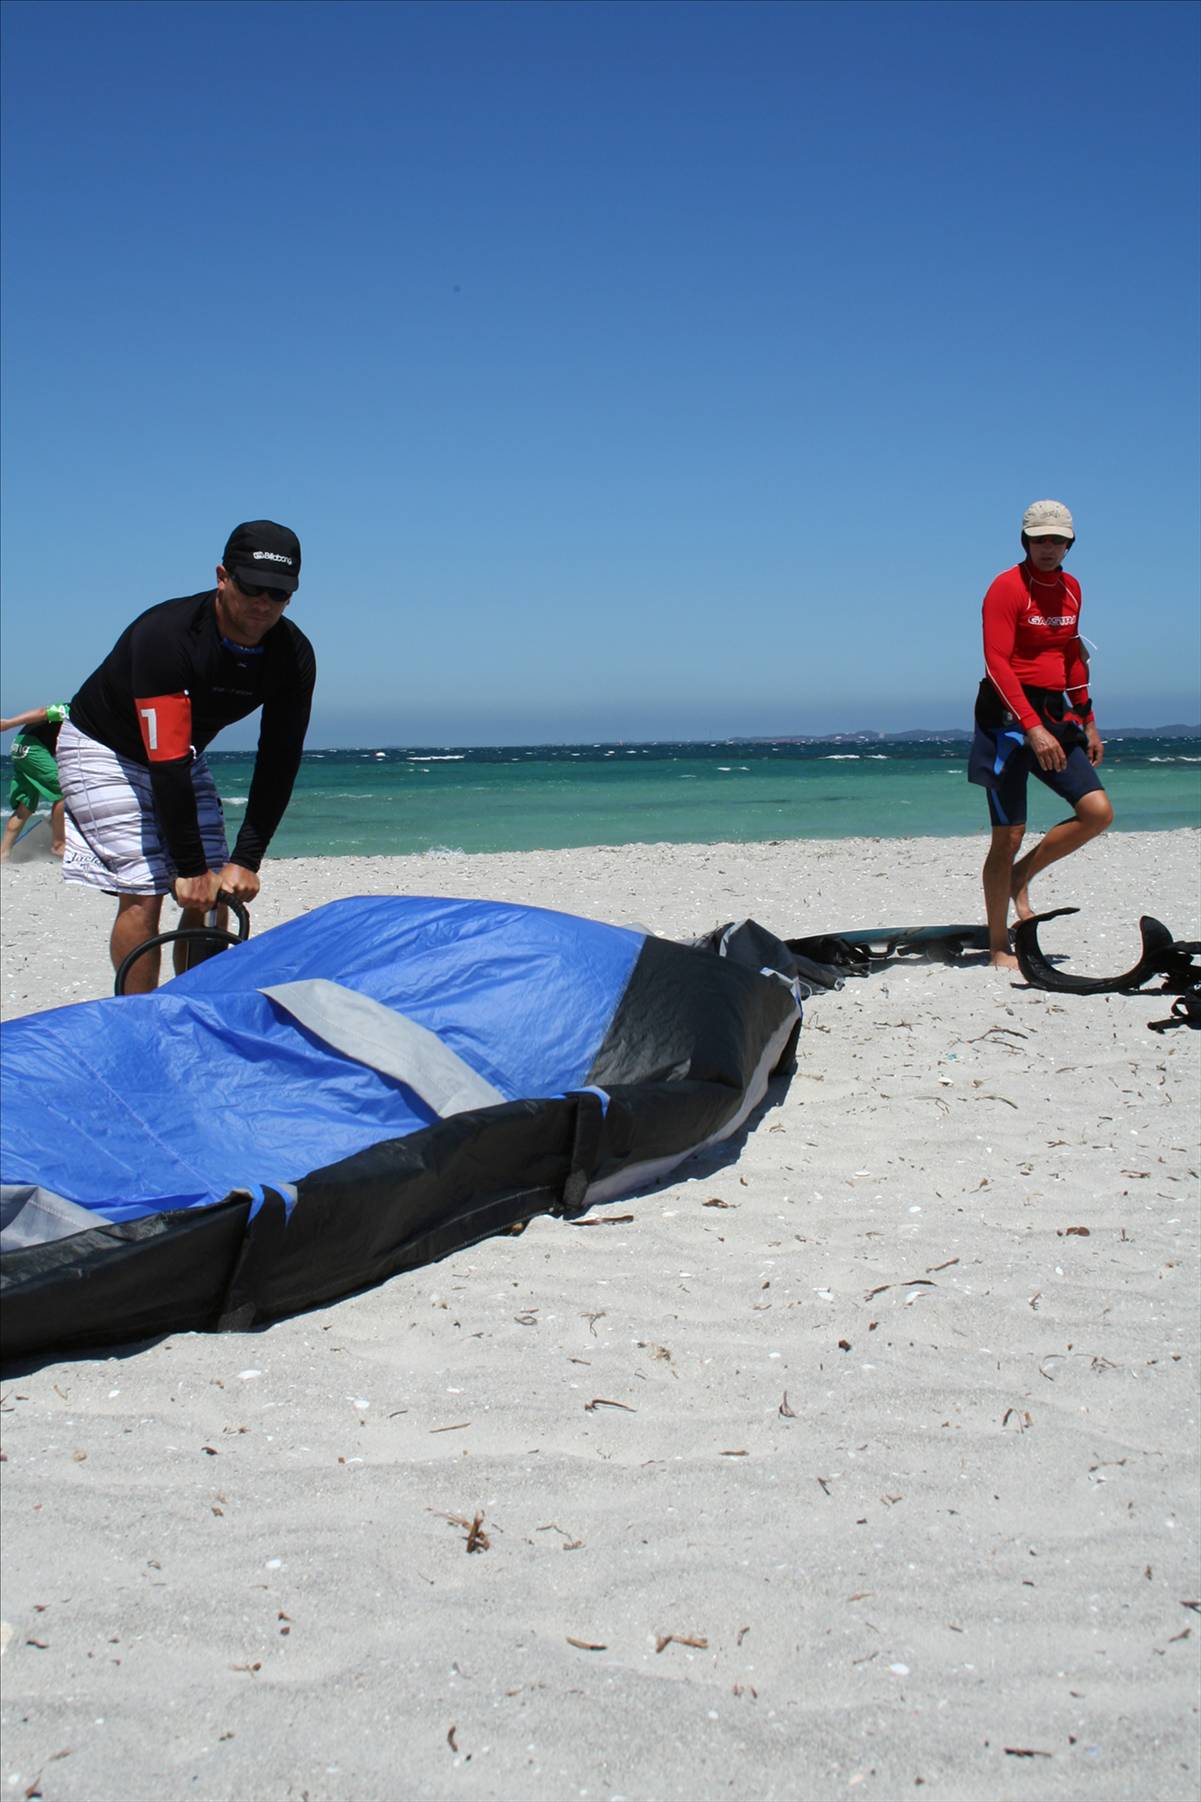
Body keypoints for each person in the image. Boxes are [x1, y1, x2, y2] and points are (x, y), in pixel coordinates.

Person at [57, 520, 316, 992]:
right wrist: (189, 867)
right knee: (148, 887)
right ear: (222, 576)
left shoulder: (292, 655)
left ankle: (193, 1008)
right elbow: (167, 765)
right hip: (102, 746)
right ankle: (138, 1018)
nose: (263, 603)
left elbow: (280, 760)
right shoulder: (167, 636)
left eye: (277, 594)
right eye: (252, 586)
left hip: (179, 754)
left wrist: (246, 860)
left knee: (213, 891)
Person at [969, 499, 1113, 970]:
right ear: (1025, 541)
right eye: (1039, 540)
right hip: (1008, 721)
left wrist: (1087, 719)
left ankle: (1018, 880)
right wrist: (1030, 727)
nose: (1048, 548)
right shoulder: (1006, 588)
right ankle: (996, 944)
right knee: (1008, 835)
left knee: (1096, 812)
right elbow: (997, 663)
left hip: (1055, 716)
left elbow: (1072, 658)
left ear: (1070, 543)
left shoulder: (1071, 589)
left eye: (1057, 540)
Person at [0, 702, 71, 860]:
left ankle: (3, 854)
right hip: (31, 747)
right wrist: (7, 724)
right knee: (67, 789)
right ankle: (59, 845)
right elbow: (41, 712)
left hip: (19, 746)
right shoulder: (72, 709)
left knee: (24, 806)